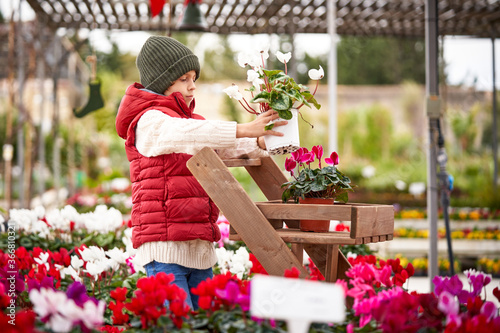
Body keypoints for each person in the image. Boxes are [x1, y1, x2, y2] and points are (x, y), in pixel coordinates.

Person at [115, 36, 286, 310]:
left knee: (207, 323)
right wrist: (243, 128)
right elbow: (184, 134)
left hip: (199, 247)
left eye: (194, 77)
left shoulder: (193, 124)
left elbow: (221, 148)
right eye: (184, 78)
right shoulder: (148, 122)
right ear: (161, 81)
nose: (193, 86)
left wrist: (261, 141)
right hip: (165, 248)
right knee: (178, 323)